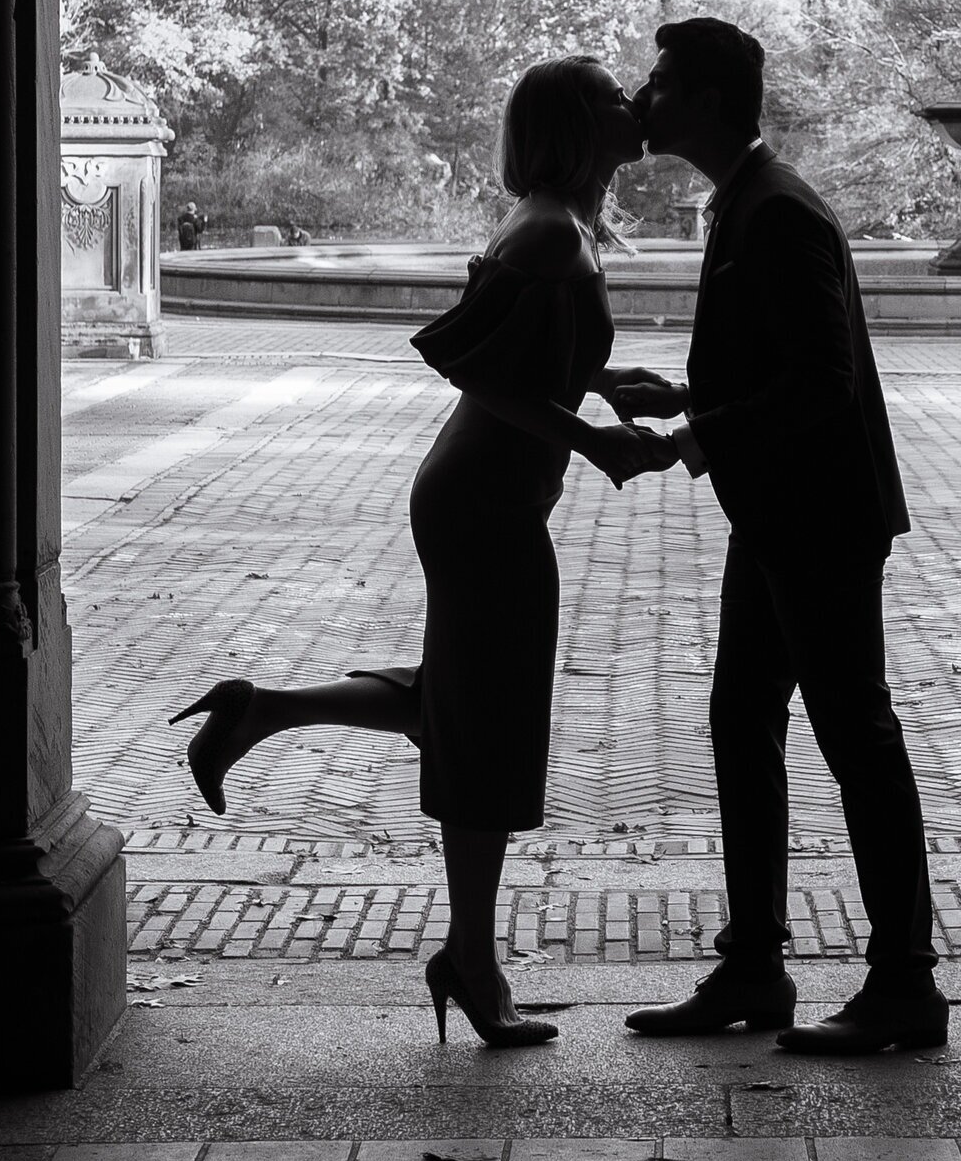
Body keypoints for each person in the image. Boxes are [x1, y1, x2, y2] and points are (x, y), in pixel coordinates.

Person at [168, 56, 673, 1047]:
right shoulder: (542, 227)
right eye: (616, 97)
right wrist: (592, 438)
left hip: (482, 495)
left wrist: (603, 380)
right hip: (484, 502)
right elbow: (468, 363)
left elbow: (524, 353)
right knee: (486, 722)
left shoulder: (560, 223)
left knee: (464, 698)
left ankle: (259, 709)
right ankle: (472, 960)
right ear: (577, 125)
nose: (637, 105)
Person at [612, 17, 947, 1055]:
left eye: (660, 84)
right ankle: (754, 964)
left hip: (819, 521)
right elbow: (783, 359)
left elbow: (821, 381)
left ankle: (904, 983)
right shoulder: (751, 200)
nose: (643, 97)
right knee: (741, 718)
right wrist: (683, 389)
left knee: (856, 735)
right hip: (781, 516)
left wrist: (688, 437)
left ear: (709, 101)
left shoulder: (777, 212)